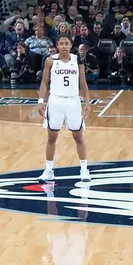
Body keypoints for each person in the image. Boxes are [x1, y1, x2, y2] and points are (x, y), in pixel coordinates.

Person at [37, 33, 91, 183]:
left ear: (71, 45)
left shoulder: (77, 60)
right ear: (57, 46)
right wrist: (41, 100)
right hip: (55, 101)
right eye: (61, 43)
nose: (64, 46)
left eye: (67, 43)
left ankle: (84, 170)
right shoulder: (50, 61)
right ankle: (48, 171)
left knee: (78, 136)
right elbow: (44, 82)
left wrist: (87, 102)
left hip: (73, 101)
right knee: (51, 137)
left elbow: (83, 83)